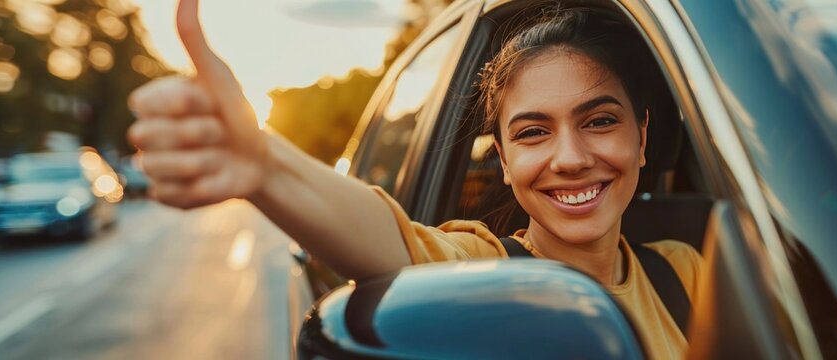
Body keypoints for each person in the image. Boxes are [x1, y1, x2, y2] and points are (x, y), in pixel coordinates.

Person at [127, 0, 702, 358]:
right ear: (501, 159)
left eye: (599, 121)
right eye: (533, 133)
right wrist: (265, 164)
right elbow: (390, 241)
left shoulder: (688, 270)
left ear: (643, 137)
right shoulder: (481, 268)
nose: (571, 158)